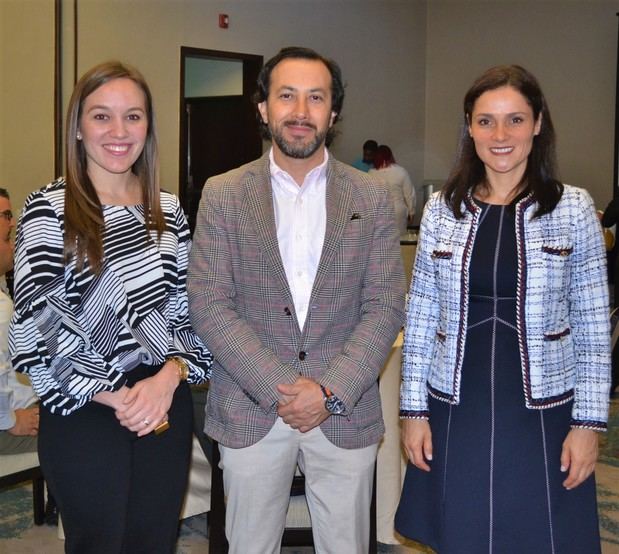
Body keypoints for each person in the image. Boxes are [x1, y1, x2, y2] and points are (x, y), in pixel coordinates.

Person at [187, 46, 405, 553]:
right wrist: (282, 388)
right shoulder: (223, 193)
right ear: (263, 108)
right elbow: (209, 302)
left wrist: (327, 391)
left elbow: (386, 304)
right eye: (287, 96)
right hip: (250, 407)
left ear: (334, 113)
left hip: (344, 408)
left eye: (315, 98)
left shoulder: (370, 197)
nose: (301, 112)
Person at [395, 65, 610, 553]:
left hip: (542, 410)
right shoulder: (442, 210)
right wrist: (413, 412)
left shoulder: (573, 209)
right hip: (456, 403)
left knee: (541, 537)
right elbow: (422, 314)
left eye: (515, 120)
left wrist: (587, 426)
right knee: (464, 532)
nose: (500, 134)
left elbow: (595, 328)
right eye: (486, 121)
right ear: (469, 128)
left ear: (538, 124)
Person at [9, 61, 212, 554]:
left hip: (164, 400)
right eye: (102, 117)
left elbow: (189, 311)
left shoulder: (168, 209)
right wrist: (117, 396)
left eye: (133, 116)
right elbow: (41, 323)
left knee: (154, 541)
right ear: (78, 127)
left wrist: (166, 381)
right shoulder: (47, 209)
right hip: (85, 408)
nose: (119, 132)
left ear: (149, 126)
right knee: (99, 543)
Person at [0, 188, 38, 455]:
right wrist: (9, 420)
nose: (12, 223)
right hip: (7, 423)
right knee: (85, 434)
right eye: (6, 215)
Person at [369, 144, 416, 234]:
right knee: (398, 241)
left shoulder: (371, 173)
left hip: (378, 212)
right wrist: (411, 212)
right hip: (397, 211)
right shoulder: (400, 171)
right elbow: (409, 194)